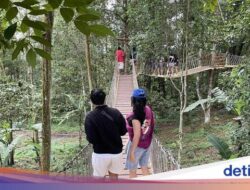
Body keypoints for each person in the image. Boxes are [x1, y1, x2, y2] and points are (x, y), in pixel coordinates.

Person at [84, 89, 127, 179]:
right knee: (114, 177)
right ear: (105, 99)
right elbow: (123, 131)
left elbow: (91, 139)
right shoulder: (116, 112)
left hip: (100, 154)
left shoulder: (90, 117)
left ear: (92, 101)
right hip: (116, 153)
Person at [125, 88, 155, 178]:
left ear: (133, 100)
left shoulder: (133, 117)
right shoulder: (148, 110)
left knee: (132, 171)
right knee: (144, 167)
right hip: (147, 143)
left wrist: (132, 152)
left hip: (137, 146)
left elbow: (137, 135)